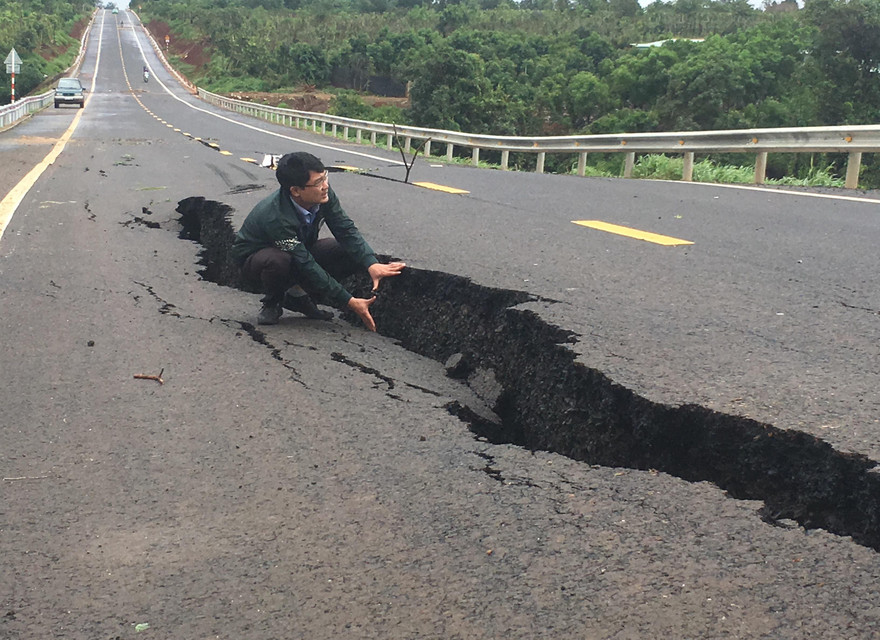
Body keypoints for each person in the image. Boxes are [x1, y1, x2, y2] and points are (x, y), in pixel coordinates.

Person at [230, 151, 405, 330]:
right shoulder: (275, 217)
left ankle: (298, 295)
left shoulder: (322, 195)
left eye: (325, 178)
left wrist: (371, 264)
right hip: (256, 264)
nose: (325, 186)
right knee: (278, 260)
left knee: (345, 251)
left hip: (298, 250)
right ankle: (272, 302)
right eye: (317, 183)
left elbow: (345, 229)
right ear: (296, 191)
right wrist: (349, 301)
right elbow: (304, 261)